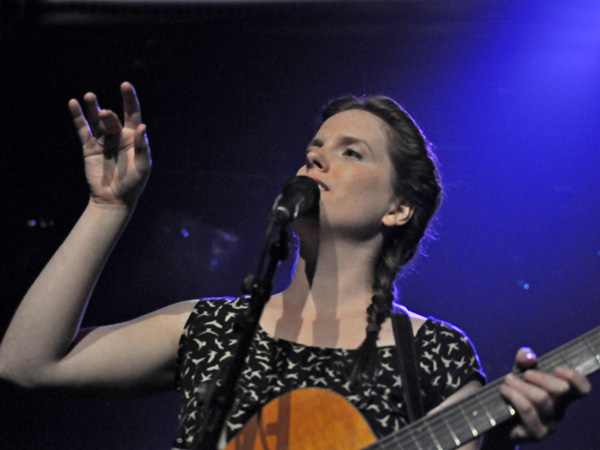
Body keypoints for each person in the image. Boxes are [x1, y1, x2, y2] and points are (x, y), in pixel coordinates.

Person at [0, 82, 591, 450]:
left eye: (349, 152)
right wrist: (108, 207)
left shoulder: (432, 356)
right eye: (315, 148)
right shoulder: (214, 331)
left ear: (399, 207)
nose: (316, 157)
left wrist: (505, 438)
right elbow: (27, 362)